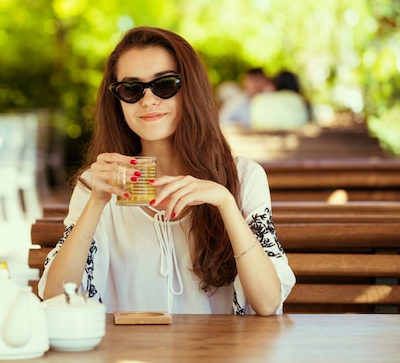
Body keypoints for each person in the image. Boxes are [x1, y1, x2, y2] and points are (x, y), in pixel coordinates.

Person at [38, 27, 295, 315]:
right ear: (117, 100)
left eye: (165, 84)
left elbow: (267, 302)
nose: (148, 100)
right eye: (131, 89)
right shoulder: (99, 183)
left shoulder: (244, 177)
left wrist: (224, 201)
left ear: (191, 89)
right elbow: (56, 298)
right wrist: (96, 201)